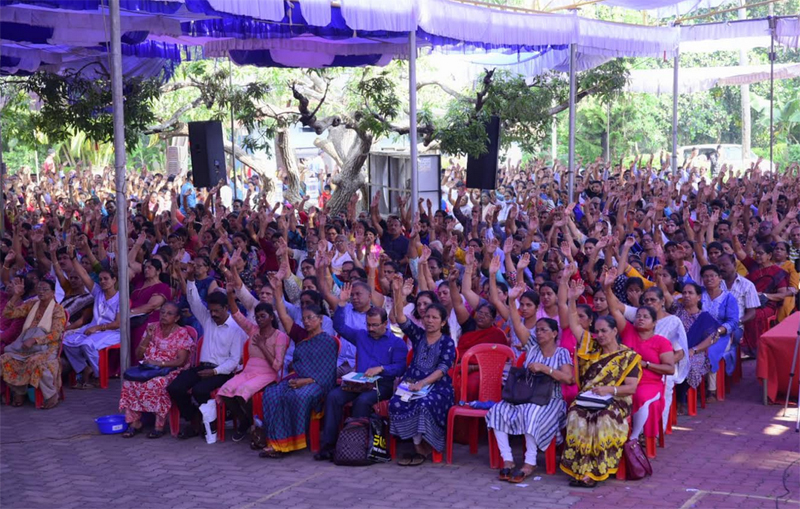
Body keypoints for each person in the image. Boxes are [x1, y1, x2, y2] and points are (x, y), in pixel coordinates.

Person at [315, 283, 408, 461]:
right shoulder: (362, 335)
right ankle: (328, 446)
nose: (371, 329)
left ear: (385, 324)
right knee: (333, 397)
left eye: (374, 325)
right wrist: (341, 305)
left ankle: (358, 447)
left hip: (382, 385)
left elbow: (401, 367)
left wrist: (382, 369)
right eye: (368, 325)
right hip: (358, 382)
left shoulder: (396, 343)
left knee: (363, 402)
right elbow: (340, 327)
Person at [560, 291, 641, 487]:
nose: (600, 335)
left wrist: (609, 390)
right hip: (587, 398)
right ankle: (579, 468)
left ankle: (593, 472)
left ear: (615, 331)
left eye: (604, 331)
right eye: (597, 331)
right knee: (576, 416)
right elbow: (573, 324)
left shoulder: (629, 356)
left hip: (616, 400)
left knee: (603, 419)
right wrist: (572, 299)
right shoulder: (590, 347)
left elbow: (630, 388)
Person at [486, 311, 573, 483]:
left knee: (531, 413)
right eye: (537, 330)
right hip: (525, 396)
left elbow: (569, 379)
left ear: (554, 333)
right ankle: (508, 459)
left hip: (551, 400)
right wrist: (512, 301)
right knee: (498, 410)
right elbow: (517, 325)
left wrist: (544, 368)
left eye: (543, 330)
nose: (539, 333)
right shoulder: (532, 346)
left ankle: (530, 462)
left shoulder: (561, 352)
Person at [389, 274, 456, 467]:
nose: (430, 321)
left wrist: (423, 383)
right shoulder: (418, 335)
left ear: (443, 322)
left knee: (424, 404)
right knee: (395, 403)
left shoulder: (447, 342)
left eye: (435, 318)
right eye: (427, 316)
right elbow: (400, 318)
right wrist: (398, 293)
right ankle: (417, 445)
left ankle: (425, 447)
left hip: (437, 388)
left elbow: (443, 369)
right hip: (411, 384)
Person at [167, 280, 246, 440]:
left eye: (216, 311)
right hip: (203, 367)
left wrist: (214, 371)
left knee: (200, 390)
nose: (213, 314)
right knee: (175, 387)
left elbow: (234, 361)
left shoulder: (236, 329)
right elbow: (194, 301)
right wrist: (189, 280)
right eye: (210, 311)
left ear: (226, 308)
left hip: (223, 371)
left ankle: (211, 422)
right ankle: (194, 418)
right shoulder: (208, 320)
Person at [603, 269, 674, 443]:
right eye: (638, 316)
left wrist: (645, 364)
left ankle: (634, 438)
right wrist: (607, 288)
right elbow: (614, 309)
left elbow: (670, 369)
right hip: (624, 380)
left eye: (645, 317)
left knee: (641, 397)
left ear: (654, 322)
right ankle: (615, 437)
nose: (641, 319)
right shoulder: (628, 330)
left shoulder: (661, 342)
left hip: (650, 382)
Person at [258, 304, 338, 458]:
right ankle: (276, 442)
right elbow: (299, 364)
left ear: (320, 320)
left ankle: (290, 443)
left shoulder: (328, 341)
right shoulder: (303, 339)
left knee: (297, 396)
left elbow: (327, 373)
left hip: (318, 382)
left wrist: (305, 381)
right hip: (298, 377)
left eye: (310, 318)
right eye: (304, 319)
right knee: (272, 393)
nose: (306, 322)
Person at [216, 284, 290, 442]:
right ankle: (246, 421)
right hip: (249, 371)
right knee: (226, 389)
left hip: (267, 374)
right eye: (257, 317)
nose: (259, 319)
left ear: (271, 317)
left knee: (244, 391)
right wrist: (230, 295)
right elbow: (236, 314)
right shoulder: (253, 330)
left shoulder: (280, 336)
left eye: (263, 316)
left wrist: (263, 346)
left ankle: (255, 423)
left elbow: (277, 366)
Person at [118, 302, 194, 438]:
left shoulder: (181, 333)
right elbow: (138, 355)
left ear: (176, 318)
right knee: (130, 382)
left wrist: (160, 363)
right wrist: (148, 337)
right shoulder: (152, 328)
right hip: (149, 368)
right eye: (163, 312)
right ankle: (135, 423)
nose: (164, 315)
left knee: (158, 383)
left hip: (171, 370)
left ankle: (159, 425)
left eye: (169, 314)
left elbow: (180, 361)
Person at [0, 278, 66, 408]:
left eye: (45, 289)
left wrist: (35, 340)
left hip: (47, 348)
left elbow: (56, 334)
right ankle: (19, 391)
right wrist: (16, 296)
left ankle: (51, 395)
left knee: (36, 361)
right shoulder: (31, 304)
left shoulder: (57, 310)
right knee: (4, 359)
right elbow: (8, 314)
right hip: (25, 347)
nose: (41, 292)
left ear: (53, 292)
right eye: (39, 289)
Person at [62, 249, 120, 388]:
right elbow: (83, 274)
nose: (103, 282)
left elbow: (118, 323)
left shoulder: (120, 298)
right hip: (93, 329)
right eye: (100, 279)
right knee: (66, 341)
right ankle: (83, 369)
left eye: (106, 279)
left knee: (86, 344)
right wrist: (73, 258)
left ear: (114, 280)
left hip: (113, 332)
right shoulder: (98, 292)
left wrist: (98, 328)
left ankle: (98, 375)